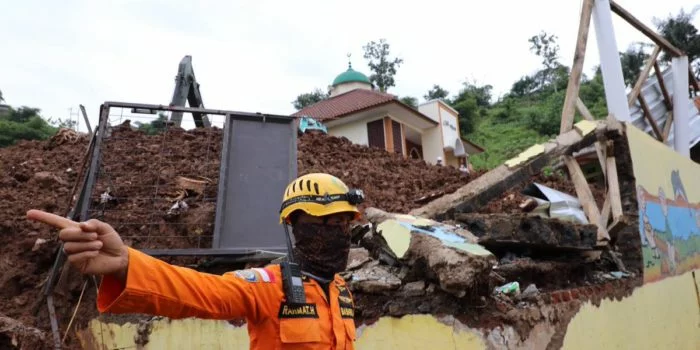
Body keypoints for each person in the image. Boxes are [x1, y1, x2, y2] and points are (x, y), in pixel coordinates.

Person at [27, 173, 363, 349]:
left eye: (343, 224)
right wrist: (127, 263)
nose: (339, 233)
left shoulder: (341, 290)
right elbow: (201, 292)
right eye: (327, 224)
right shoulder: (268, 286)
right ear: (296, 228)